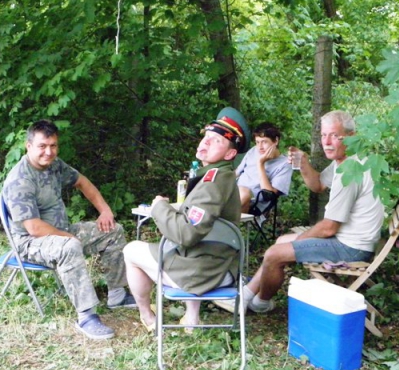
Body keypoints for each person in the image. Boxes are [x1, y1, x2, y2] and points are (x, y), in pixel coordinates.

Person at [216, 110, 384, 314]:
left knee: (274, 254)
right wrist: (303, 164)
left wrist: (300, 240)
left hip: (351, 247)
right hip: (350, 238)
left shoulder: (350, 172)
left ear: (351, 136)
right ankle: (252, 297)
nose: (326, 142)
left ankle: (255, 302)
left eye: (334, 135)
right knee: (281, 241)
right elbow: (318, 185)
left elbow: (328, 228)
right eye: (323, 135)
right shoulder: (346, 161)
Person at [2, 120, 136, 341]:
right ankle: (86, 316)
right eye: (42, 146)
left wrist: (105, 211)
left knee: (113, 231)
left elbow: (82, 182)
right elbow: (33, 228)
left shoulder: (54, 165)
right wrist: (67, 237)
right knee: (70, 245)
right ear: (29, 146)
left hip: (60, 231)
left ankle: (117, 294)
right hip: (29, 242)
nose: (48, 152)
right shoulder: (20, 180)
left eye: (53, 146)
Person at [123, 107, 250, 332]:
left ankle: (148, 318)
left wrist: (159, 207)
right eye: (206, 136)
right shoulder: (221, 176)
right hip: (220, 268)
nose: (206, 142)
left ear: (230, 154)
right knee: (189, 249)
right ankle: (192, 319)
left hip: (205, 276)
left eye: (217, 141)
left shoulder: (212, 182)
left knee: (131, 250)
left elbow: (186, 234)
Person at [235, 122, 293, 213]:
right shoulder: (253, 150)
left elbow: (268, 195)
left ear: (276, 141)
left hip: (253, 202)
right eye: (257, 142)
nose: (260, 147)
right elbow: (236, 173)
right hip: (235, 191)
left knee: (243, 194)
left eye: (264, 142)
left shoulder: (284, 164)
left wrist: (260, 163)